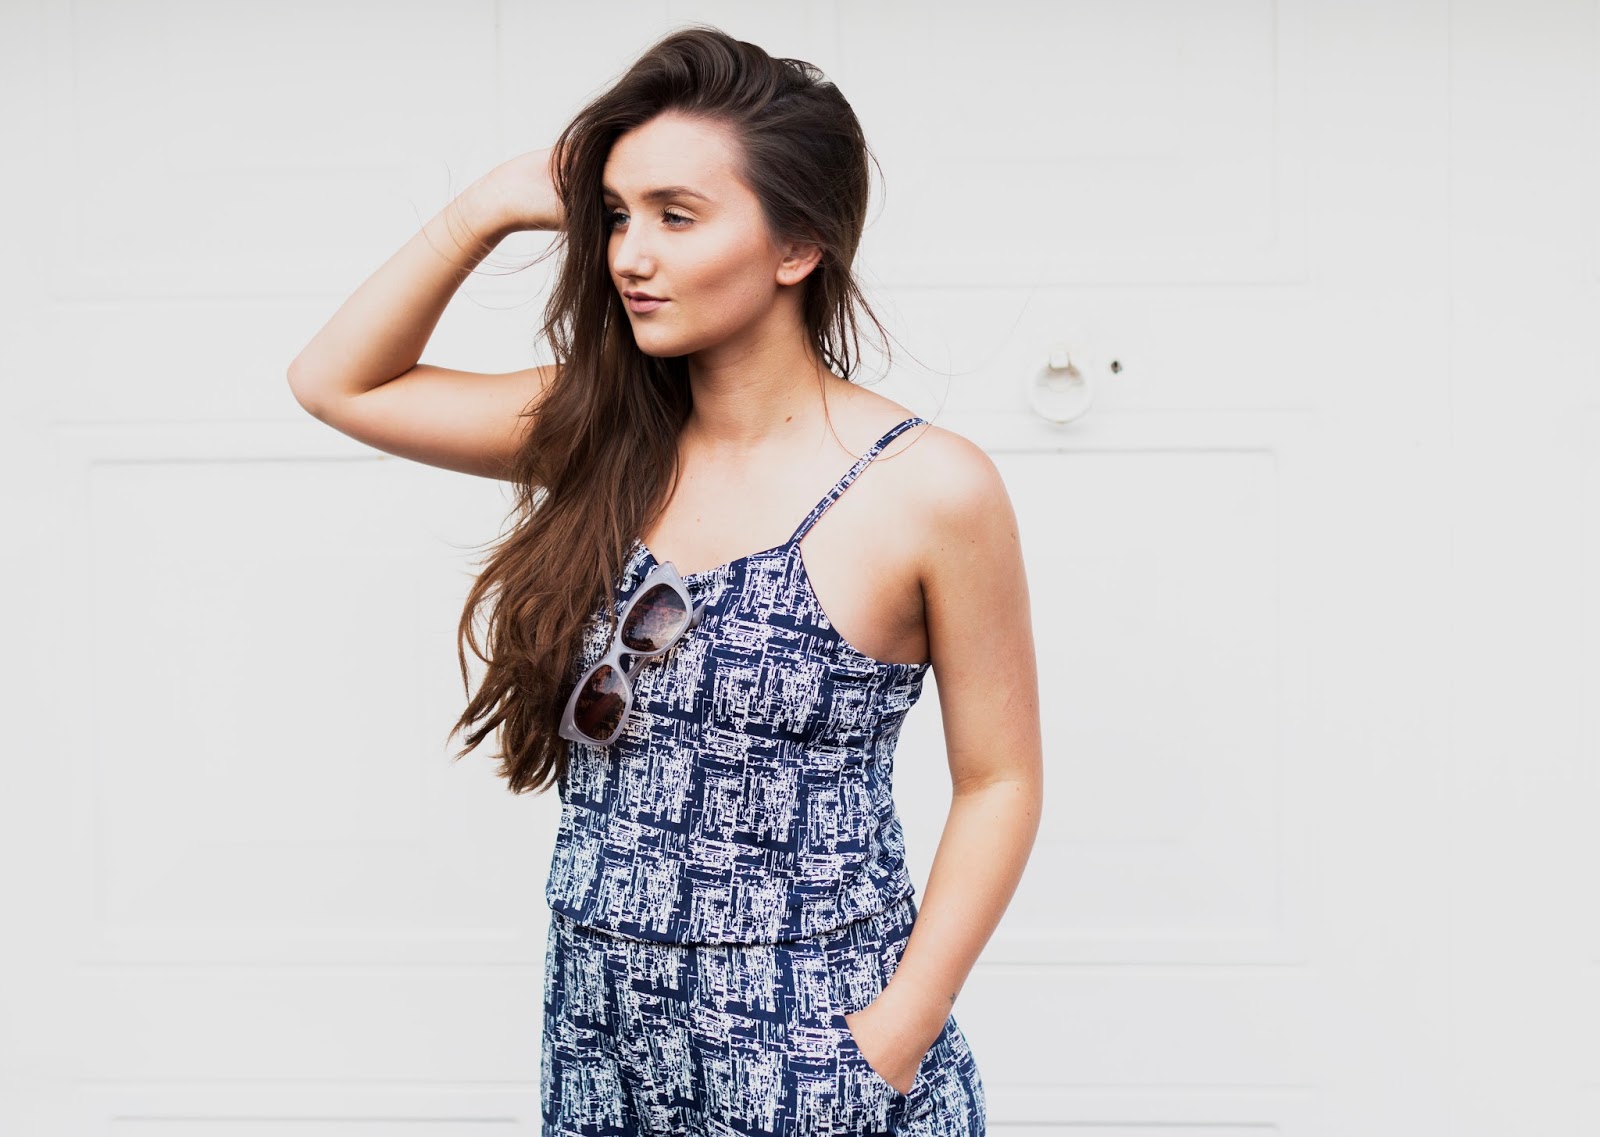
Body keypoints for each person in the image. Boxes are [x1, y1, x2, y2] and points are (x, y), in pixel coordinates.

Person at [287, 24, 1042, 1137]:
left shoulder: (926, 487)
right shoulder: (599, 432)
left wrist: (898, 1030)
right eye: (614, 215)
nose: (628, 256)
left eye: (675, 217)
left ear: (798, 245)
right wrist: (490, 204)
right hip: (599, 1031)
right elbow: (335, 382)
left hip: (809, 1039)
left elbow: (1000, 780)